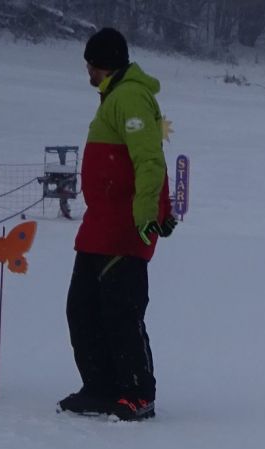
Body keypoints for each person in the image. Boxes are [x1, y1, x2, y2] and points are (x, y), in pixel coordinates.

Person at [58, 28, 173, 422]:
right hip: (99, 225)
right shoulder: (115, 98)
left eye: (90, 64)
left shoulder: (130, 97)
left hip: (124, 227)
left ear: (102, 63)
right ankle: (102, 387)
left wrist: (147, 216)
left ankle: (138, 393)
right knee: (83, 309)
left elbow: (149, 160)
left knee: (121, 312)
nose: (87, 72)